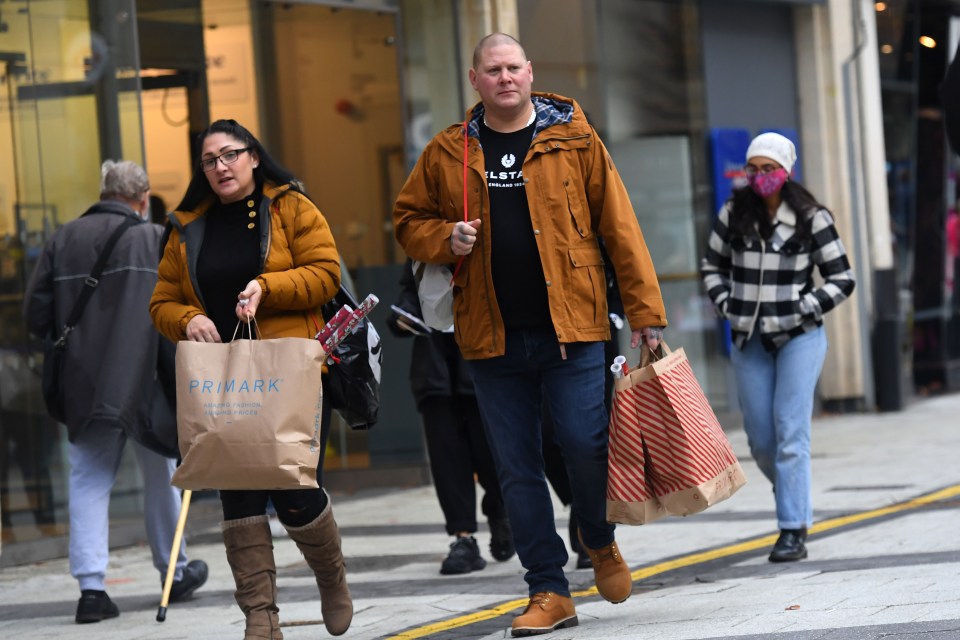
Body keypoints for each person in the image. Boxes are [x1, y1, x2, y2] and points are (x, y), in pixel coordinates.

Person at [393, 33, 667, 637]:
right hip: (491, 338)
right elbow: (408, 220)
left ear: (530, 71)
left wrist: (646, 313)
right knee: (516, 467)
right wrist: (445, 240)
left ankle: (597, 538)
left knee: (585, 444)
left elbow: (619, 225)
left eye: (513, 67)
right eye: (493, 70)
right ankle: (547, 588)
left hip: (573, 328)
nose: (505, 78)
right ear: (475, 80)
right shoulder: (447, 152)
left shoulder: (572, 137)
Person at [149, 119, 351, 639]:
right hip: (222, 383)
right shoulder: (188, 226)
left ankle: (331, 578)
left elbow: (325, 273)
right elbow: (162, 300)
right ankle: (261, 619)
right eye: (210, 160)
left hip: (290, 373)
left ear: (254, 156)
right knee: (237, 499)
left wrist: (267, 286)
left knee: (295, 491)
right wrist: (186, 319)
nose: (221, 167)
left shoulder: (290, 208)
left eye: (230, 155)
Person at [23, 160, 209, 624]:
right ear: (143, 199)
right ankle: (175, 570)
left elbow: (35, 314)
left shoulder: (63, 238)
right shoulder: (153, 239)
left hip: (86, 384)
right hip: (144, 382)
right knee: (162, 472)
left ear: (103, 192)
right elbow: (181, 310)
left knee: (88, 478)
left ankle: (91, 589)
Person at [700, 132, 855, 563]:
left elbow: (843, 278)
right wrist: (726, 304)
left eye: (769, 169)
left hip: (799, 337)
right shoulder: (734, 213)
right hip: (748, 338)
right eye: (753, 169)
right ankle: (791, 488)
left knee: (791, 434)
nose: (761, 176)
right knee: (762, 442)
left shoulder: (812, 217)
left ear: (786, 171)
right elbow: (711, 265)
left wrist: (806, 305)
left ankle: (792, 530)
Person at [386, 258, 514, 575]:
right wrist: (403, 317)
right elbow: (411, 293)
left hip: (483, 363)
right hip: (435, 370)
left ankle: (500, 508)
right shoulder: (422, 246)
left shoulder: (484, 236)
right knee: (447, 460)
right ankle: (463, 538)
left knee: (492, 455)